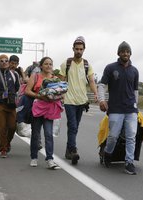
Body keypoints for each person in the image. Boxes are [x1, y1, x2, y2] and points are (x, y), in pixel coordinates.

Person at [97, 41, 139, 175]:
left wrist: (136, 106)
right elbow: (102, 85)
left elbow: (136, 91)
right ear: (118, 53)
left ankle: (129, 163)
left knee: (131, 136)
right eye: (123, 51)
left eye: (127, 51)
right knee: (113, 136)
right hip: (115, 108)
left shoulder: (134, 71)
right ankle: (107, 153)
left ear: (130, 53)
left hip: (131, 109)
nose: (125, 53)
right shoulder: (110, 68)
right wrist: (102, 100)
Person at [58, 36, 98, 165]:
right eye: (77, 49)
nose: (79, 51)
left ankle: (68, 150)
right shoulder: (66, 64)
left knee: (74, 126)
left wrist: (96, 93)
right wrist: (61, 96)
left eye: (81, 49)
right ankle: (73, 150)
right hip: (69, 100)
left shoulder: (87, 65)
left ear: (84, 49)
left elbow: (91, 81)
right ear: (73, 49)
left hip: (82, 101)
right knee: (73, 125)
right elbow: (61, 81)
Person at [25, 57, 62, 169]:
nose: (48, 66)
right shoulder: (35, 76)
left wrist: (55, 96)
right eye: (46, 64)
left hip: (50, 109)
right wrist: (39, 96)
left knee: (49, 134)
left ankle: (50, 159)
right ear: (41, 66)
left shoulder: (55, 78)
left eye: (50, 64)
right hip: (37, 108)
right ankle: (34, 157)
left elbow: (62, 93)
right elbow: (27, 91)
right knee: (35, 134)